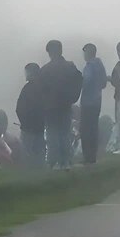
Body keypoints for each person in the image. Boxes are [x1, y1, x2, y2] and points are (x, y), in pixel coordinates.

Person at [39, 40, 83, 170]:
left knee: (53, 134)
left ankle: (54, 162)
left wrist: (44, 102)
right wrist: (73, 98)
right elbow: (79, 81)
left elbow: (40, 90)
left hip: (50, 108)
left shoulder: (45, 70)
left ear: (50, 52)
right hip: (65, 105)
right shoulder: (70, 67)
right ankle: (66, 161)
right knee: (65, 133)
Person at [79, 43, 108, 165]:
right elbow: (104, 83)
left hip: (87, 101)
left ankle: (87, 157)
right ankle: (92, 157)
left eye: (84, 52)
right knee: (94, 128)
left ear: (88, 52)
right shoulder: (100, 65)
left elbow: (86, 80)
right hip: (97, 100)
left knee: (85, 129)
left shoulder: (90, 66)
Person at [16, 63, 46, 168]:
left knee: (26, 154)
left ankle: (27, 175)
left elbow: (19, 108)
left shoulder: (27, 88)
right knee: (40, 155)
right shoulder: (45, 88)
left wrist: (24, 123)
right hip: (41, 128)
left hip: (28, 129)